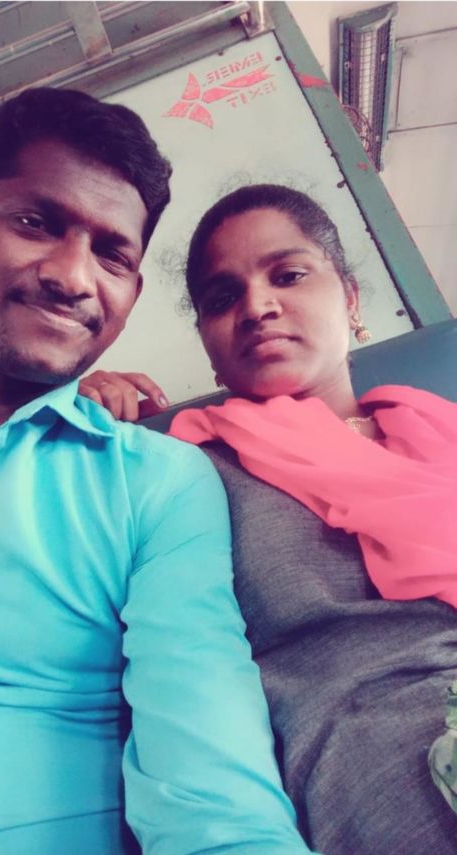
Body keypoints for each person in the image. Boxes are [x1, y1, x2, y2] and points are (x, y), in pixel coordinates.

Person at [0, 95, 315, 855]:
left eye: (112, 255)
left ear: (131, 295)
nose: (72, 276)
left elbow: (208, 767)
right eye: (35, 223)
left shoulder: (158, 484)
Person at [79, 183, 457, 855]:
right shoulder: (185, 470)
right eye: (223, 297)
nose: (256, 306)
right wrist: (67, 417)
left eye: (288, 275)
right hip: (395, 755)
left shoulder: (442, 430)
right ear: (208, 341)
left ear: (350, 296)